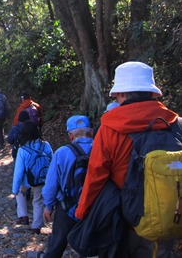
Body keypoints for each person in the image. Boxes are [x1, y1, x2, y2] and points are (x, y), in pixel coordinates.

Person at [75, 61, 180, 256]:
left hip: (130, 217)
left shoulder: (110, 128)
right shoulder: (177, 124)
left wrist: (82, 211)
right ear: (153, 93)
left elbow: (96, 175)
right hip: (171, 214)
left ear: (122, 94)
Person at [42, 115, 93, 258]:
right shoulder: (101, 149)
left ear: (71, 135)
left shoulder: (62, 152)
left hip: (67, 207)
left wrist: (48, 205)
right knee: (89, 245)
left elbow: (52, 183)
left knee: (57, 244)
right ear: (91, 132)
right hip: (94, 206)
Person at [12, 121, 53, 234]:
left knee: (20, 193)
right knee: (38, 201)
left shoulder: (22, 149)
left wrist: (14, 189)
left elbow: (18, 171)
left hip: (26, 181)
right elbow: (52, 162)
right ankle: (36, 226)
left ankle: (23, 216)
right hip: (41, 178)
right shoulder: (46, 145)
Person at [6, 110, 32, 224]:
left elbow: (9, 140)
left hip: (19, 154)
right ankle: (28, 193)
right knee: (30, 174)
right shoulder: (33, 127)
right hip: (32, 154)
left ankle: (20, 196)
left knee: (19, 175)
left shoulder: (16, 128)